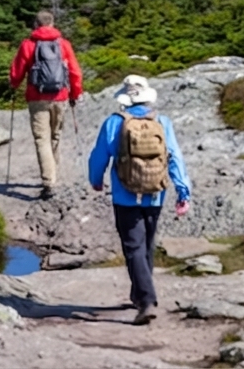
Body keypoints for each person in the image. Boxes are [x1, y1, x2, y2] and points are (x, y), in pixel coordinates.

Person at [88, 75, 191, 326]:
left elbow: (99, 156)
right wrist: (183, 190)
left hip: (125, 194)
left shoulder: (114, 122)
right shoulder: (162, 122)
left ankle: (146, 301)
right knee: (146, 245)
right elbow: (174, 157)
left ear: (125, 99)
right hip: (156, 194)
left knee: (133, 247)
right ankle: (139, 294)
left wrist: (96, 178)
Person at [9, 10, 84, 200]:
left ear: (35, 24)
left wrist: (13, 85)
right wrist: (75, 93)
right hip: (60, 96)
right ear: (52, 23)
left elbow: (17, 71)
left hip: (37, 97)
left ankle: (49, 182)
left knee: (42, 139)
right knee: (55, 136)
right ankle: (53, 173)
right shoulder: (63, 44)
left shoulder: (28, 45)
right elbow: (75, 71)